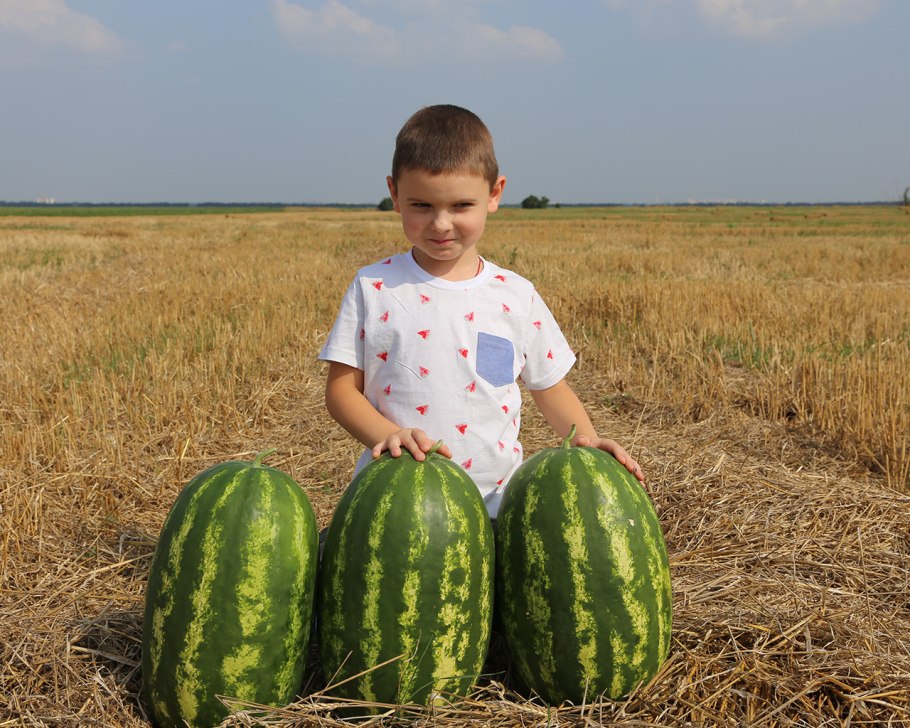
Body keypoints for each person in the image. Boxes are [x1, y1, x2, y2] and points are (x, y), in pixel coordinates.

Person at [319, 104, 644, 518]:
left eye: (460, 206)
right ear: (394, 195)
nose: (440, 223)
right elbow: (341, 391)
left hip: (496, 505)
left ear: (494, 195)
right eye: (421, 205)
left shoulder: (515, 295)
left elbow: (549, 388)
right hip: (396, 501)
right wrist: (390, 435)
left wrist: (588, 441)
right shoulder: (375, 288)